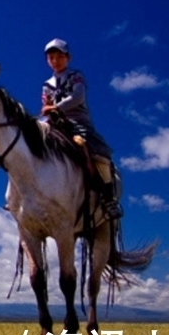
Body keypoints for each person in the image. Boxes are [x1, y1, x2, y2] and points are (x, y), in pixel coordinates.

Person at [40, 38, 124, 221]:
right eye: (51, 57)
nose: (55, 60)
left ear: (67, 58)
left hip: (78, 123)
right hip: (54, 124)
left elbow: (77, 97)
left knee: (96, 151)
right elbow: (45, 105)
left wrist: (55, 109)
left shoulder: (76, 76)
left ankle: (109, 197)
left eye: (59, 56)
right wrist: (46, 114)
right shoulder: (47, 85)